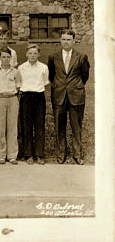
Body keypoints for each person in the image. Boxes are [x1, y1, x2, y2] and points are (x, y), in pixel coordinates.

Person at [47, 30, 90, 165]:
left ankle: (78, 155)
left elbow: (85, 76)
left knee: (76, 126)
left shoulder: (81, 56)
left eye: (68, 39)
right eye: (63, 39)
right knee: (59, 126)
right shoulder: (53, 57)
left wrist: (74, 87)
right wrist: (59, 86)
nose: (66, 42)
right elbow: (51, 75)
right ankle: (61, 154)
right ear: (60, 40)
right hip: (59, 95)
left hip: (76, 96)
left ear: (73, 41)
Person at [18, 44, 49, 165]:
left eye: (35, 53)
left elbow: (45, 82)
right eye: (30, 53)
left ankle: (39, 154)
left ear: (39, 54)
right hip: (26, 97)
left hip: (39, 97)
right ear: (26, 54)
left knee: (39, 125)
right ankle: (28, 154)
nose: (32, 55)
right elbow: (19, 83)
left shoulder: (43, 67)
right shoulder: (21, 68)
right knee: (26, 125)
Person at [0, 47, 21, 165]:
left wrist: (12, 96)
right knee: (0, 128)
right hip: (0, 99)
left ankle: (12, 155)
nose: (6, 59)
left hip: (12, 99)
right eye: (3, 57)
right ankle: (1, 155)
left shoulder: (15, 72)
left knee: (12, 128)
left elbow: (18, 87)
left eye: (8, 57)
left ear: (11, 58)